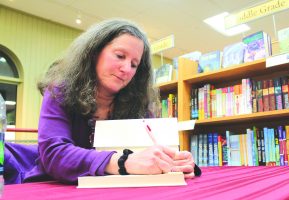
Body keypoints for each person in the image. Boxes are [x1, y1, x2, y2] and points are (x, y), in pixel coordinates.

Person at [4, 19, 200, 184]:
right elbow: (55, 155)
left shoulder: (139, 103)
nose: (126, 69)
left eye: (134, 64)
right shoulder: (60, 90)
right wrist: (124, 162)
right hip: (58, 187)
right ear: (93, 53)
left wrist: (176, 161)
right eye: (120, 56)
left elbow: (155, 151)